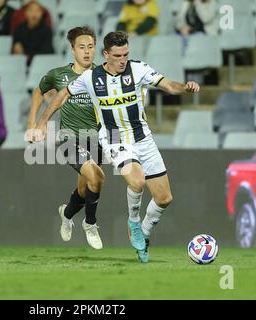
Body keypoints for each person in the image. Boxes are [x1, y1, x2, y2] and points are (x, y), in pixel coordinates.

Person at [31, 32, 200, 263]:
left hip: (143, 138)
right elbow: (62, 95)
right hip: (115, 139)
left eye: (126, 54)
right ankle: (132, 222)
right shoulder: (91, 78)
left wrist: (185, 87)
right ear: (106, 54)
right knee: (137, 181)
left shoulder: (138, 69)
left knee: (164, 198)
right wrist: (41, 122)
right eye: (118, 55)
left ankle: (143, 231)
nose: (123, 60)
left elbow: (168, 85)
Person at [27, 26, 105, 249]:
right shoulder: (58, 75)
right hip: (69, 139)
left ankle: (67, 214)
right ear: (73, 50)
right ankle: (90, 224)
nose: (87, 51)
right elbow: (38, 92)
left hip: (96, 140)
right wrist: (33, 124)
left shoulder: (103, 75)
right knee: (97, 177)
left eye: (91, 47)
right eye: (82, 47)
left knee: (86, 188)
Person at [12, 0, 54, 65]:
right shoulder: (19, 30)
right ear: (26, 13)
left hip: (43, 64)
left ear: (41, 13)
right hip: (21, 64)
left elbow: (46, 52)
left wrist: (29, 57)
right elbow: (16, 49)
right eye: (31, 10)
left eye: (37, 11)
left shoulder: (47, 31)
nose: (34, 14)